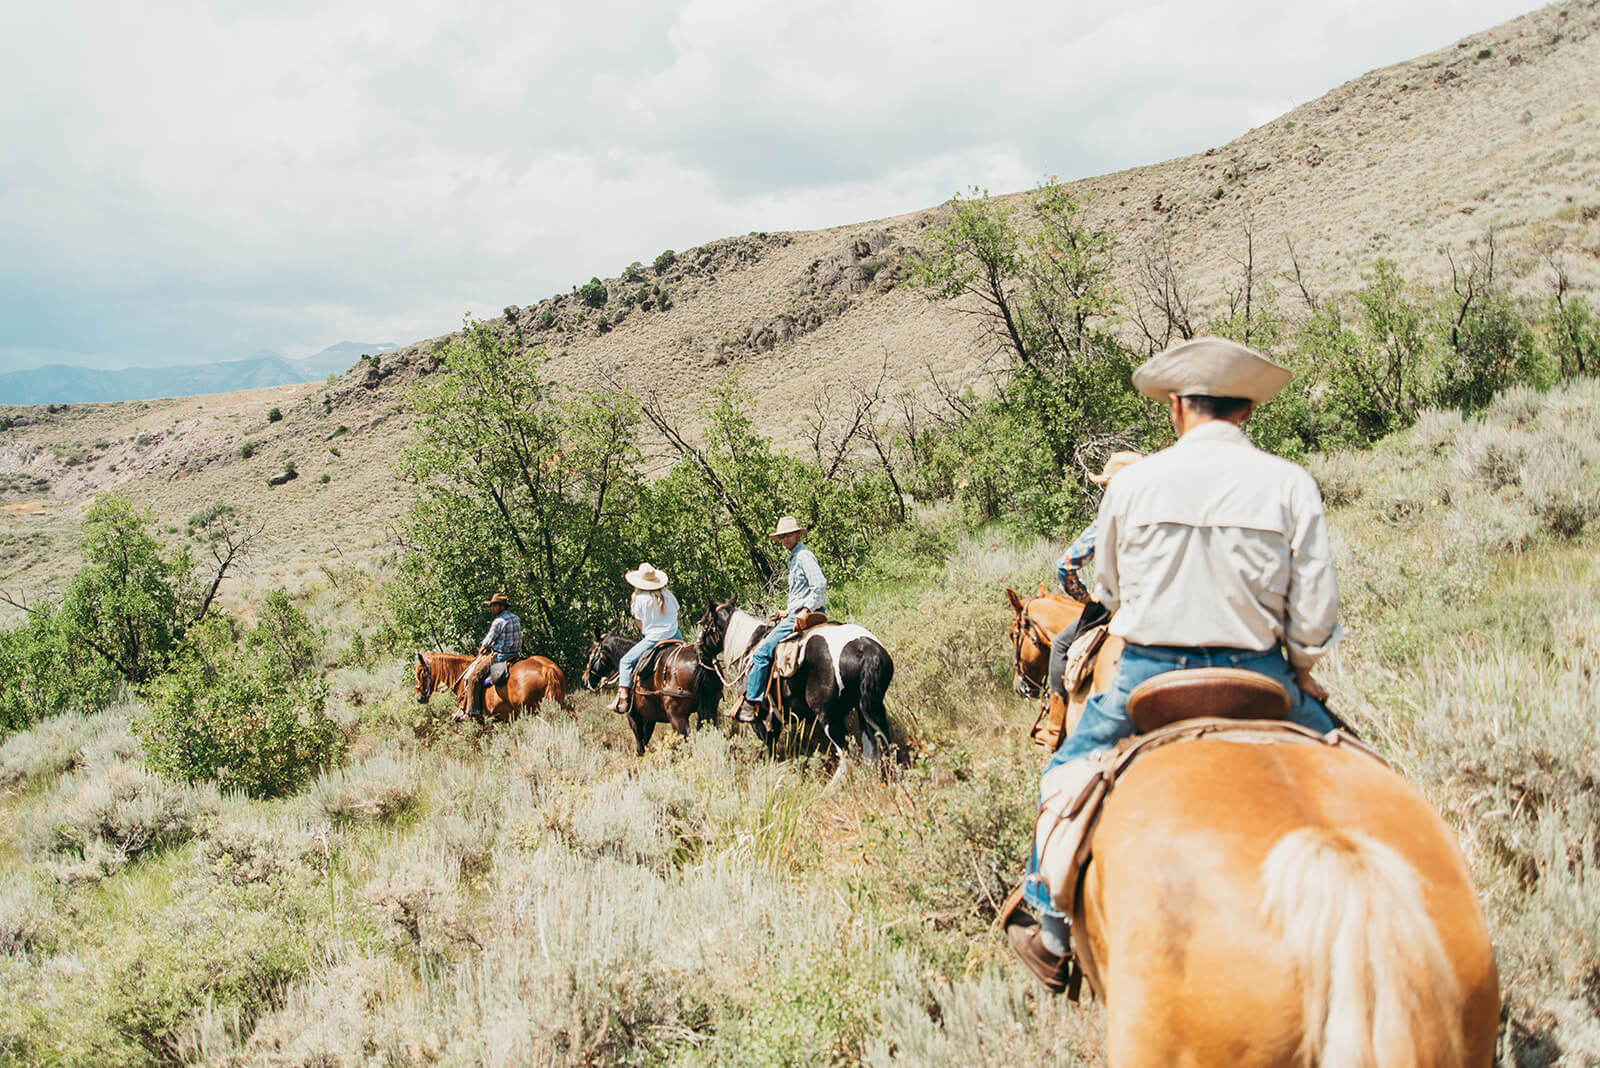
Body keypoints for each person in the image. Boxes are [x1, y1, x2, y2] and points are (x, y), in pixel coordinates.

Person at [1009, 337, 1343, 991]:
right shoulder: (1290, 483)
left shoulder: (1135, 485)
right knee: (1360, 772)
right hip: (1260, 676)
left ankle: (1051, 932)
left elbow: (1107, 588)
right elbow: (1316, 615)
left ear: (1175, 407)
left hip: (1146, 676)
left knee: (1063, 778)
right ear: (1247, 408)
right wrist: (1301, 665)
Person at [1045, 450, 1142, 709]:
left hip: (1111, 607)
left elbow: (1066, 566)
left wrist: (1083, 597)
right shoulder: (1159, 518)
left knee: (1060, 645)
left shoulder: (1107, 523)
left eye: (1107, 484)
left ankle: (1056, 721)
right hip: (1157, 604)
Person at [737, 516, 826, 723]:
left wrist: (805, 609)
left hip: (804, 613)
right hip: (797, 611)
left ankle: (752, 703)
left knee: (761, 653)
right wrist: (789, 610)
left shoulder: (803, 556)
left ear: (797, 535)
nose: (785, 539)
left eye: (788, 535)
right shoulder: (794, 557)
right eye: (782, 536)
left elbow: (819, 585)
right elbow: (804, 590)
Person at [612, 563, 682, 715]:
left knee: (626, 661)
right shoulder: (668, 594)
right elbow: (678, 615)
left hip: (654, 638)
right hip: (675, 634)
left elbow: (640, 624)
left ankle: (624, 695)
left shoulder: (640, 599)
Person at [461, 592, 522, 721]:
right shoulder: (516, 618)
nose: (492, 608)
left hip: (499, 656)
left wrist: (483, 648)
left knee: (473, 678)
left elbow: (488, 641)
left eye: (494, 605)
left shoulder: (499, 621)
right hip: (515, 655)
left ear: (502, 606)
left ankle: (472, 711)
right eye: (492, 605)